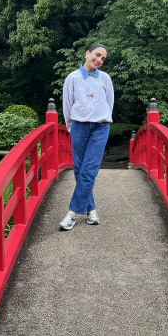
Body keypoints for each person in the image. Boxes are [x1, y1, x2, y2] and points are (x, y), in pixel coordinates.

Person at [60, 43, 114, 230]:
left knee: (89, 168)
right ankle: (91, 209)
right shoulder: (73, 78)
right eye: (97, 55)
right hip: (79, 127)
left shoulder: (105, 79)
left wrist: (104, 120)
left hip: (100, 127)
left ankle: (72, 213)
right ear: (87, 53)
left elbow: (110, 104)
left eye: (103, 59)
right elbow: (67, 105)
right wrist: (71, 127)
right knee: (79, 168)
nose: (99, 60)